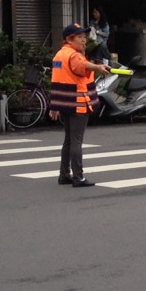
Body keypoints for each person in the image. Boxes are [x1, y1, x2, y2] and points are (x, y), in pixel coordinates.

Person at [48, 22, 111, 187]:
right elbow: (82, 66)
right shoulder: (74, 56)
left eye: (84, 37)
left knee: (68, 140)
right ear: (70, 39)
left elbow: (56, 81)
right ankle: (78, 176)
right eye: (80, 37)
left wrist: (54, 105)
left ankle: (64, 174)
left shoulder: (59, 56)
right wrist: (98, 67)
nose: (84, 40)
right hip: (78, 103)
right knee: (76, 141)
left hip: (65, 103)